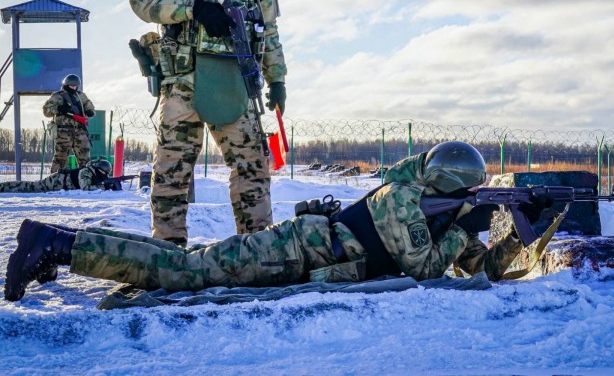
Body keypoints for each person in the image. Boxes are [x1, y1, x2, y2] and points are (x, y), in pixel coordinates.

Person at [4, 142, 550, 302]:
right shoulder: (403, 199)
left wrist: (520, 231)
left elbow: (479, 269)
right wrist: (464, 225)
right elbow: (425, 269)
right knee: (187, 272)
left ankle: (62, 244)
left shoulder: (442, 208)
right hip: (297, 249)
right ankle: (56, 244)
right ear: (455, 187)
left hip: (305, 255)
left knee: (185, 264)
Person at [128, 0, 287, 246]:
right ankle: (168, 249)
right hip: (185, 79)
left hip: (234, 79)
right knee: (173, 169)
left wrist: (277, 78)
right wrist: (194, 8)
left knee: (253, 165)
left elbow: (269, 27)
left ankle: (256, 248)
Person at [42, 74, 96, 173]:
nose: (74, 88)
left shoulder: (81, 96)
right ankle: (55, 179)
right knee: (60, 156)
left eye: (76, 86)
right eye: (72, 86)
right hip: (64, 130)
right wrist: (58, 109)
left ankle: (85, 177)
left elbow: (90, 107)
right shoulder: (57, 96)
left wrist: (89, 112)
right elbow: (46, 111)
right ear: (66, 84)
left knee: (85, 157)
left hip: (80, 129)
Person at [0, 159, 112, 194]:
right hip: (56, 181)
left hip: (59, 182)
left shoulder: (93, 173)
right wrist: (103, 187)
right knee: (30, 187)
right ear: (99, 169)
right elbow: (85, 188)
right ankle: (4, 187)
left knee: (30, 186)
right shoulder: (86, 172)